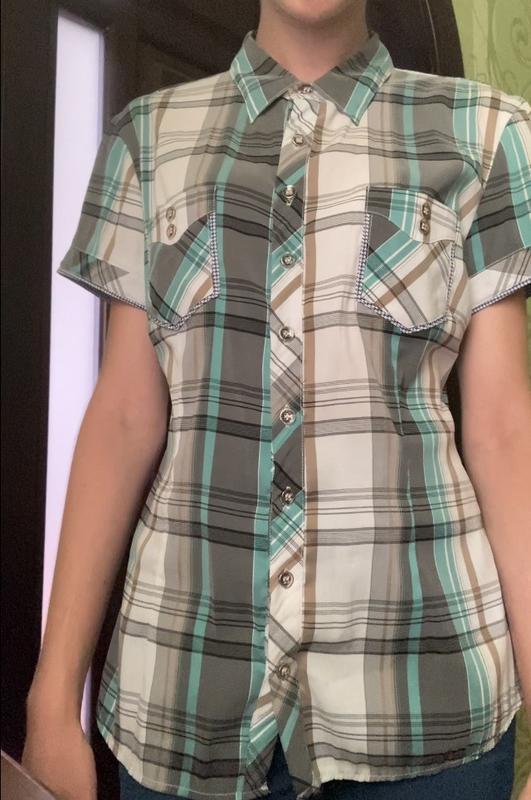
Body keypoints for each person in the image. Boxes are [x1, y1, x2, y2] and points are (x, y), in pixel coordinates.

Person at [22, 1, 531, 799]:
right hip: (181, 702)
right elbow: (122, 418)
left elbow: (502, 430)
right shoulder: (145, 139)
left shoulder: (488, 133)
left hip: (426, 711)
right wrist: (52, 700)